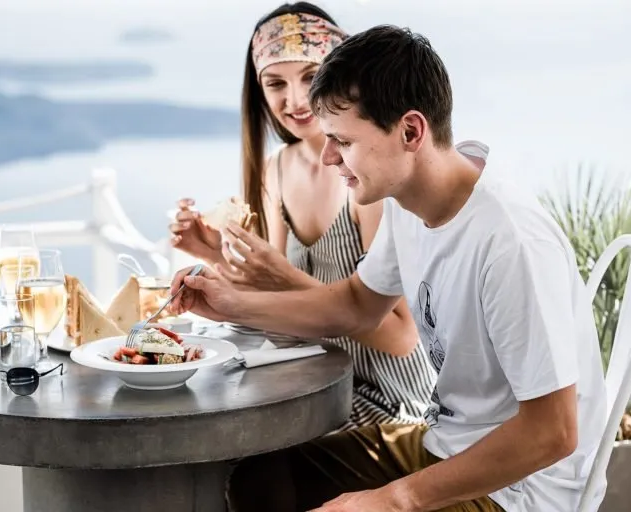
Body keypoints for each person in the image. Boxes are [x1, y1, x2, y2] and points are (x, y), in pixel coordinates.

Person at [168, 25, 607, 512]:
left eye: (342, 141)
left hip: (522, 490)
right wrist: (232, 304)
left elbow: (553, 432)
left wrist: (393, 499)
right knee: (259, 478)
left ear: (411, 131)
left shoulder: (511, 243)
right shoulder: (407, 201)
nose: (328, 157)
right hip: (449, 445)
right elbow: (357, 305)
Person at [170, 2, 485, 430]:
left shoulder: (370, 179)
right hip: (316, 386)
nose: (296, 99)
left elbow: (398, 334)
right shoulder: (276, 171)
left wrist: (283, 276)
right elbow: (282, 312)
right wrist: (215, 256)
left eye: (309, 77)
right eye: (275, 83)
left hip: (388, 401)